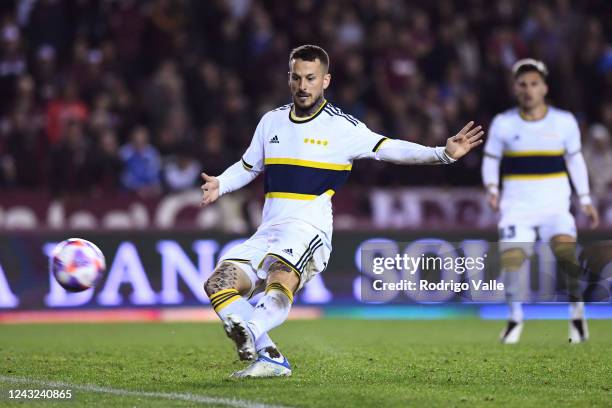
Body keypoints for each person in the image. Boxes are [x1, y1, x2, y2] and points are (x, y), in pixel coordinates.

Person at [201, 45, 483, 377]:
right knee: (217, 283)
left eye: (311, 78)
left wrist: (441, 154)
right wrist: (221, 182)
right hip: (268, 230)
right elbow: (249, 166)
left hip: (309, 230)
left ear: (326, 80)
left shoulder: (342, 127)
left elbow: (388, 148)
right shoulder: (271, 121)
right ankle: (269, 355)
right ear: (288, 79)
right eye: (296, 78)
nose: (303, 86)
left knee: (281, 275)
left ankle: (250, 327)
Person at [481, 58, 600, 344]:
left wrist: (584, 197)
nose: (528, 90)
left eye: (534, 84)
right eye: (522, 84)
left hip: (554, 205)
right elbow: (491, 160)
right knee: (512, 264)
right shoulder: (503, 123)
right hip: (517, 206)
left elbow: (575, 160)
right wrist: (492, 189)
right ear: (515, 89)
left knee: (567, 259)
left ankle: (577, 317)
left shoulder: (564, 122)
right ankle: (514, 319)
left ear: (544, 88)